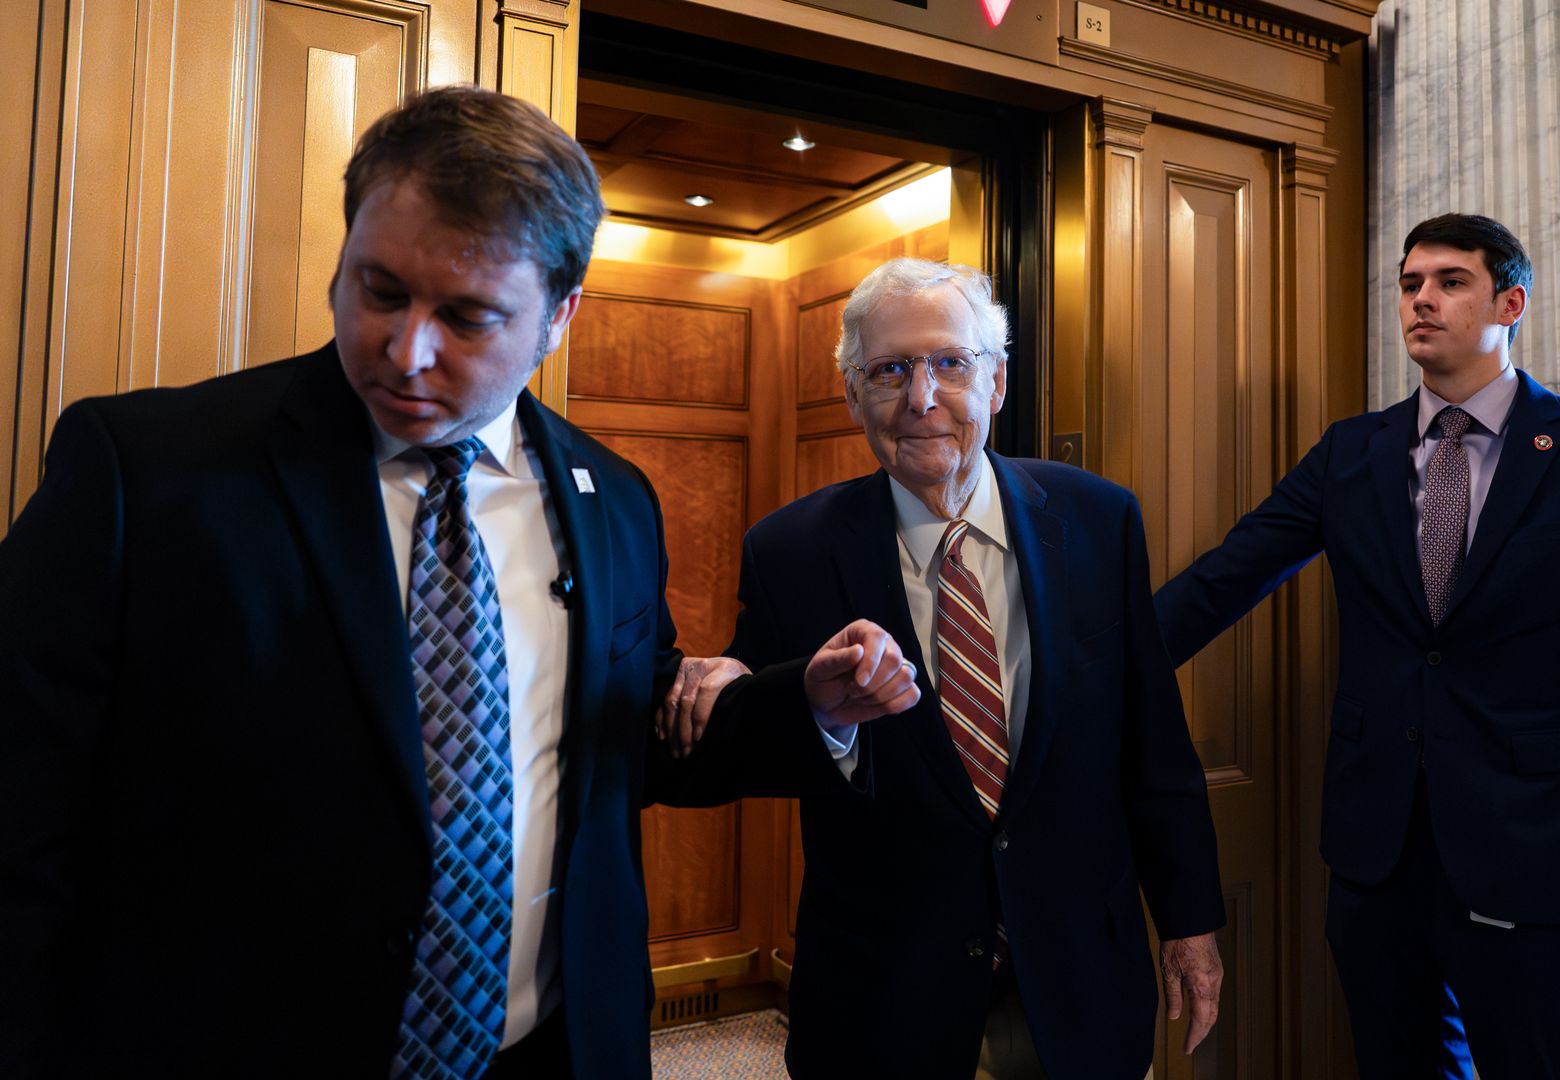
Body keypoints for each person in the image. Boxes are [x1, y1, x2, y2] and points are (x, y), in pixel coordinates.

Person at [0, 85, 917, 1080]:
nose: (407, 350)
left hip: (551, 1048)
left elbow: (635, 737)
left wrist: (805, 708)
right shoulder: (147, 472)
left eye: (468, 316)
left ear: (560, 316)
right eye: (379, 290)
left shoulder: (614, 496)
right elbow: (21, 809)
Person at [1154, 213, 1560, 1078]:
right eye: (1411, 283)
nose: (1422, 299)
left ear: (1510, 302)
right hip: (1378, 866)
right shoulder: (1352, 453)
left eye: (1451, 281)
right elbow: (1224, 579)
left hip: (1535, 860)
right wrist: (1075, 668)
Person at [710, 257, 1225, 1078]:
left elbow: (1152, 742)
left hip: (1079, 971)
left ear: (997, 382)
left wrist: (1190, 923)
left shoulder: (1097, 518)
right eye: (889, 370)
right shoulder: (790, 551)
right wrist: (819, 711)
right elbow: (750, 750)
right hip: (884, 989)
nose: (921, 398)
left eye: (950, 363)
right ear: (852, 395)